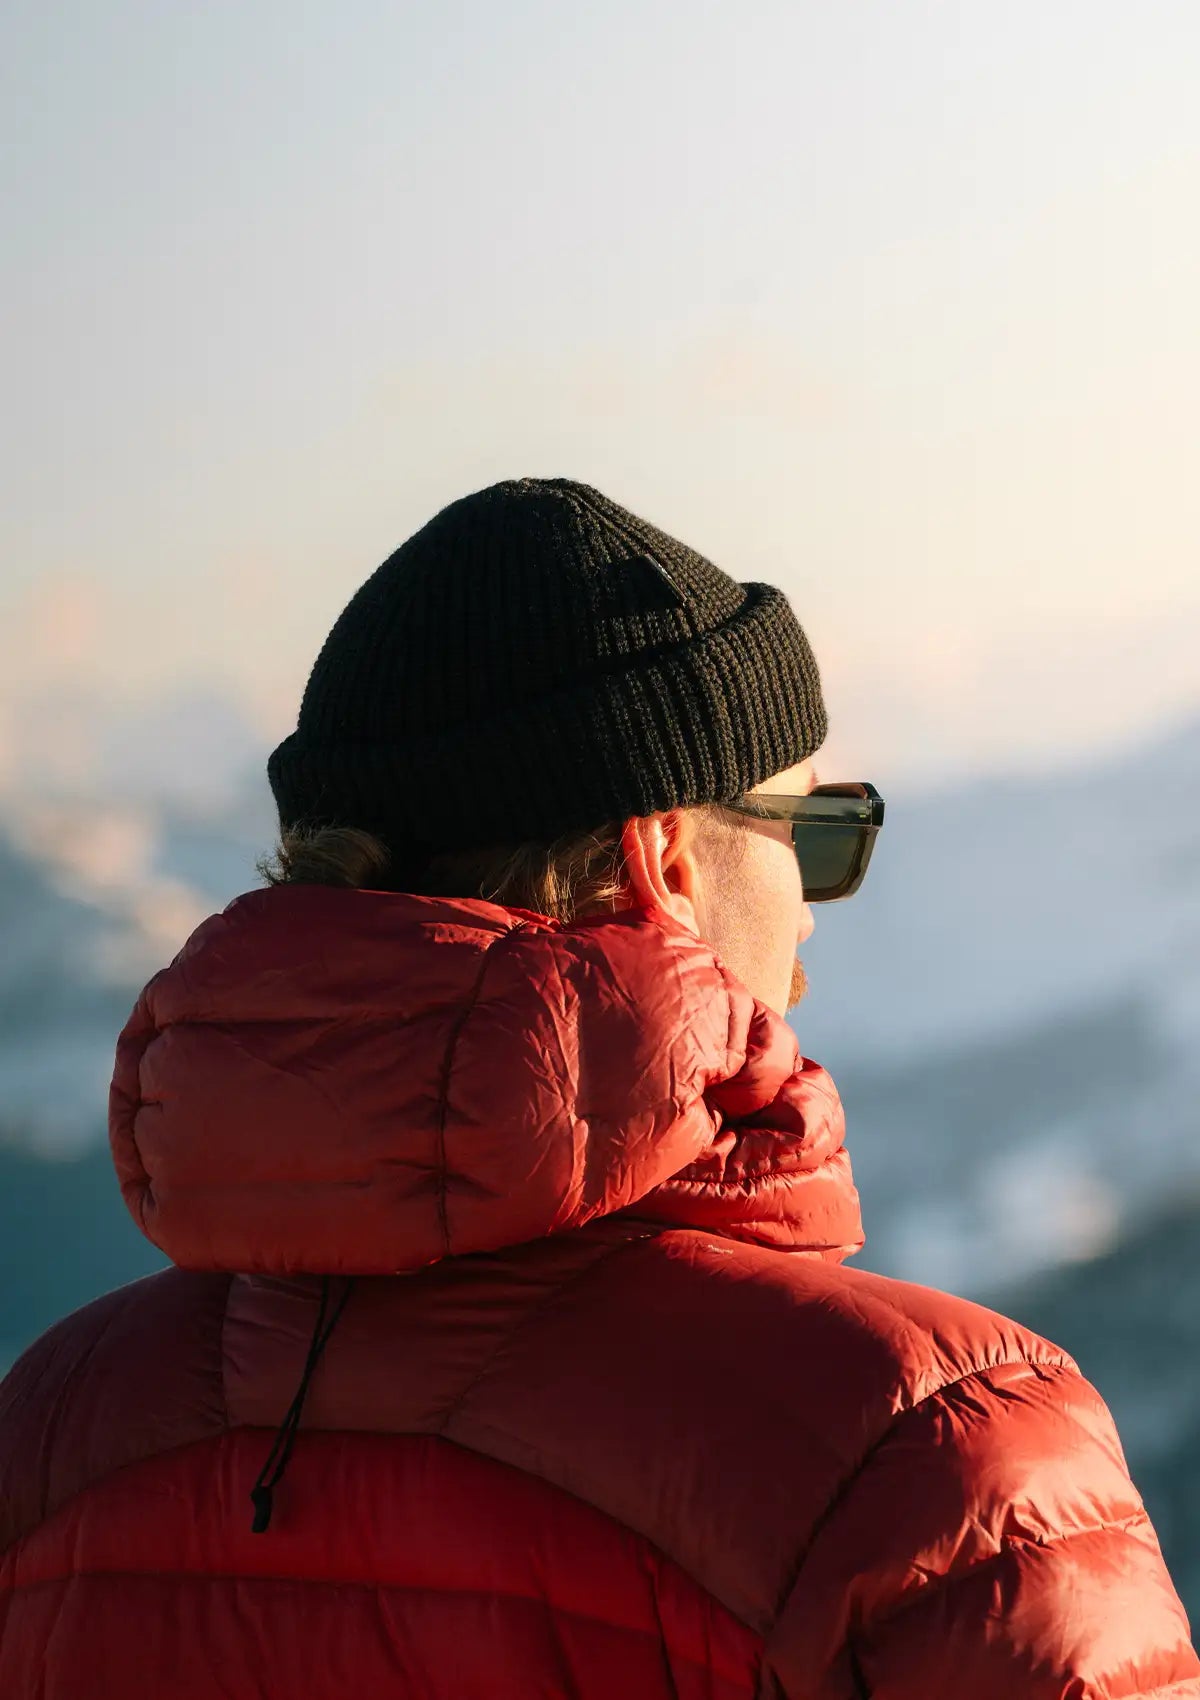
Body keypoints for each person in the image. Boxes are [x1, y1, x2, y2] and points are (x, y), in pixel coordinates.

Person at [0, 478, 1195, 1698]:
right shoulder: (942, 1478)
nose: (812, 929)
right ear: (665, 855)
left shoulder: (52, 1432)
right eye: (815, 834)